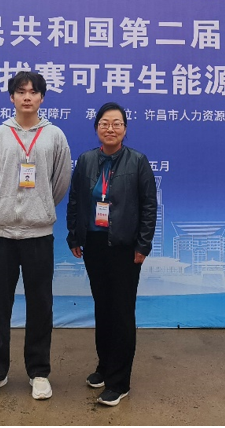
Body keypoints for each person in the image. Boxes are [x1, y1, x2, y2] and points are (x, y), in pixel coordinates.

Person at [0, 71, 72, 400]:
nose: (27, 97)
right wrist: (7, 205)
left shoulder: (54, 136)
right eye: (21, 91)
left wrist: (40, 207)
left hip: (38, 235)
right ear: (12, 97)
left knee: (40, 305)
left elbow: (60, 181)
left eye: (33, 92)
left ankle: (39, 372)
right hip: (2, 234)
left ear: (42, 98)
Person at [66, 102, 157, 407]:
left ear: (125, 129)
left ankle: (120, 382)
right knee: (103, 308)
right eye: (105, 123)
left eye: (117, 123)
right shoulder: (86, 160)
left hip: (124, 248)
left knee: (121, 312)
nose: (110, 129)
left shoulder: (138, 161)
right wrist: (74, 235)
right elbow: (75, 200)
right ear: (96, 128)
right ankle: (104, 367)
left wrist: (143, 245)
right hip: (93, 244)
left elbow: (149, 206)